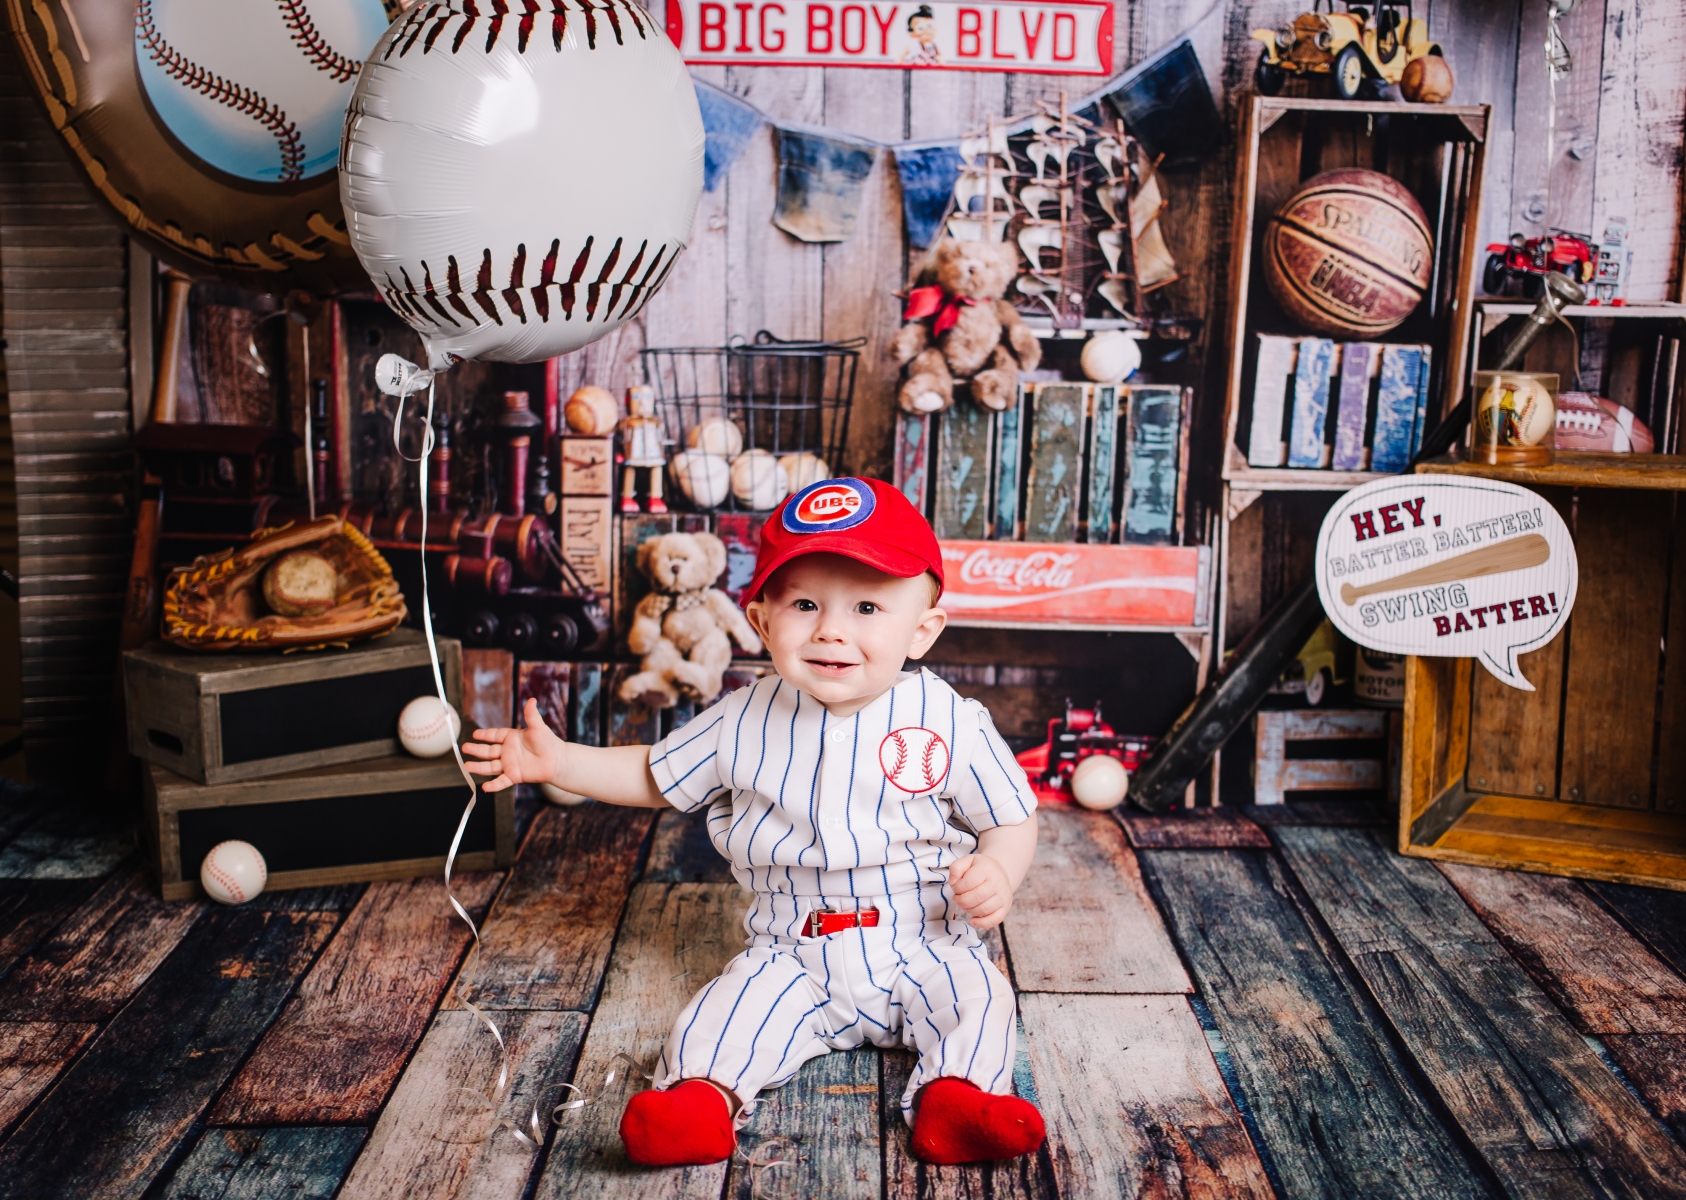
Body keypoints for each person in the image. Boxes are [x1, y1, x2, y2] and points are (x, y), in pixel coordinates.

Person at [464, 476, 1044, 1167]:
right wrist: (560, 761)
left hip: (925, 937)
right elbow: (653, 775)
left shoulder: (950, 720)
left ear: (922, 631)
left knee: (978, 996)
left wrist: (998, 869)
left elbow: (1011, 817)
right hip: (794, 949)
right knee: (728, 1011)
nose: (831, 629)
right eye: (804, 604)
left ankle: (957, 1099)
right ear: (762, 622)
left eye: (866, 606)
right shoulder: (741, 718)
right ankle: (699, 1103)